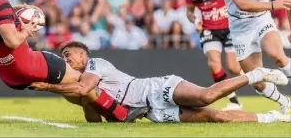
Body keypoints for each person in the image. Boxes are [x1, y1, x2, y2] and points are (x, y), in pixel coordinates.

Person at [0, 0, 147, 122]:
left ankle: (104, 115)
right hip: (28, 64)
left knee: (66, 85)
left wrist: (19, 8)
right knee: (82, 82)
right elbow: (12, 41)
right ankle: (122, 113)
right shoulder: (0, 4)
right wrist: (27, 28)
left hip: (8, 76)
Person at [31, 41, 290, 123]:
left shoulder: (95, 64)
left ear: (83, 54)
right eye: (63, 56)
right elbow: (95, 120)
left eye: (69, 54)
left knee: (206, 96)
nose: (66, 58)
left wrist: (48, 86)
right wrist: (84, 101)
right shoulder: (78, 86)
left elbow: (85, 87)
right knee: (215, 116)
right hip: (151, 111)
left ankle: (256, 74)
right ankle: (274, 118)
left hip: (155, 88)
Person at [223, 0, 291, 115]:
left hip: (262, 22)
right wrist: (272, 5)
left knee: (277, 55)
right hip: (239, 30)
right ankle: (285, 102)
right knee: (257, 82)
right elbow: (241, 3)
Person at [184, 0, 242, 110]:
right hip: (209, 29)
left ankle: (257, 80)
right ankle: (234, 103)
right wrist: (194, 19)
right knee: (213, 64)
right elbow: (189, 11)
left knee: (233, 67)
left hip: (229, 26)